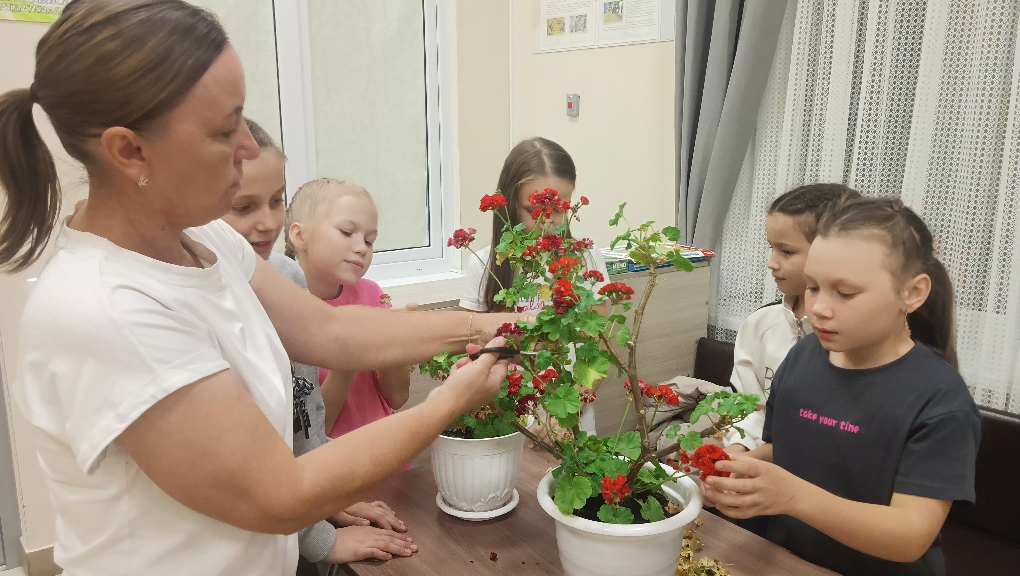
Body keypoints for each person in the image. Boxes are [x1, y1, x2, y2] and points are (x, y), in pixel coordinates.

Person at [0, 2, 520, 574]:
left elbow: (329, 330)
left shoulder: (202, 237)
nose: (249, 147)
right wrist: (450, 401)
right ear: (130, 150)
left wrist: (480, 326)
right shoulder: (104, 309)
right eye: (225, 130)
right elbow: (279, 494)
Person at [704, 197, 981, 576]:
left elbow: (911, 535)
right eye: (813, 287)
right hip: (789, 560)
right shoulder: (802, 357)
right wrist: (742, 468)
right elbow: (791, 448)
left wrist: (792, 495)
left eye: (845, 293)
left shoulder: (940, 400)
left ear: (913, 292)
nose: (819, 308)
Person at [220, 119, 414, 567]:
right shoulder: (208, 298)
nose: (267, 222)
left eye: (276, 201)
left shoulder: (285, 277)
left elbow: (305, 425)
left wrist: (329, 500)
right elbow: (246, 461)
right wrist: (318, 537)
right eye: (243, 205)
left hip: (322, 494)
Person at [458, 137, 609, 436]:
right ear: (510, 203)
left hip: (572, 419)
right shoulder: (484, 266)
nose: (548, 222)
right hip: (511, 421)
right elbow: (474, 354)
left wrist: (572, 408)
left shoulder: (586, 259)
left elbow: (600, 348)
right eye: (534, 210)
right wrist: (527, 421)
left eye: (559, 209)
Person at [724, 184, 860, 455]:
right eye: (772, 248)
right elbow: (750, 407)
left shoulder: (856, 338)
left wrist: (760, 460)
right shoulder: (760, 324)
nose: (772, 263)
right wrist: (739, 447)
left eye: (786, 252)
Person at [285, 178, 412, 439]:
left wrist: (397, 343)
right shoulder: (284, 308)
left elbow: (397, 398)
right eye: (346, 232)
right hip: (330, 458)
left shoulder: (372, 294)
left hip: (385, 447)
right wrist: (349, 356)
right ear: (300, 236)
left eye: (369, 240)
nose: (361, 248)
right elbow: (313, 433)